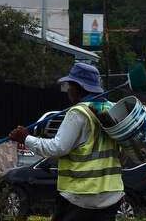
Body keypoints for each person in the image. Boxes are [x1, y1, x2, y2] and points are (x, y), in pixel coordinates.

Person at [8, 62, 123, 221]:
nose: (68, 90)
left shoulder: (78, 113)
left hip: (81, 196)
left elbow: (57, 148)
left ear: (78, 87)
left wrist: (25, 138)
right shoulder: (112, 108)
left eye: (69, 85)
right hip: (111, 195)